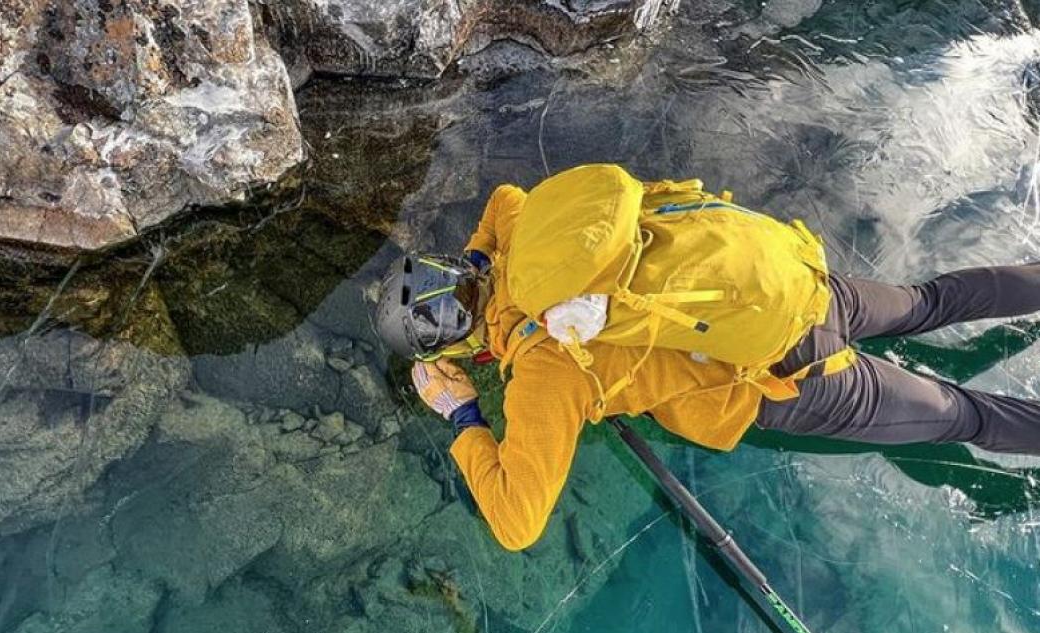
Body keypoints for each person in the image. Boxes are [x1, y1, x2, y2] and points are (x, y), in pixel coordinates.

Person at [375, 177, 1040, 551]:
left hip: (784, 378)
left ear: (455, 349)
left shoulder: (547, 374)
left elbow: (518, 523)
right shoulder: (524, 236)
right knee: (928, 300)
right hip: (794, 285)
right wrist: (483, 258)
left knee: (962, 414)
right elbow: (502, 196)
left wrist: (462, 414)